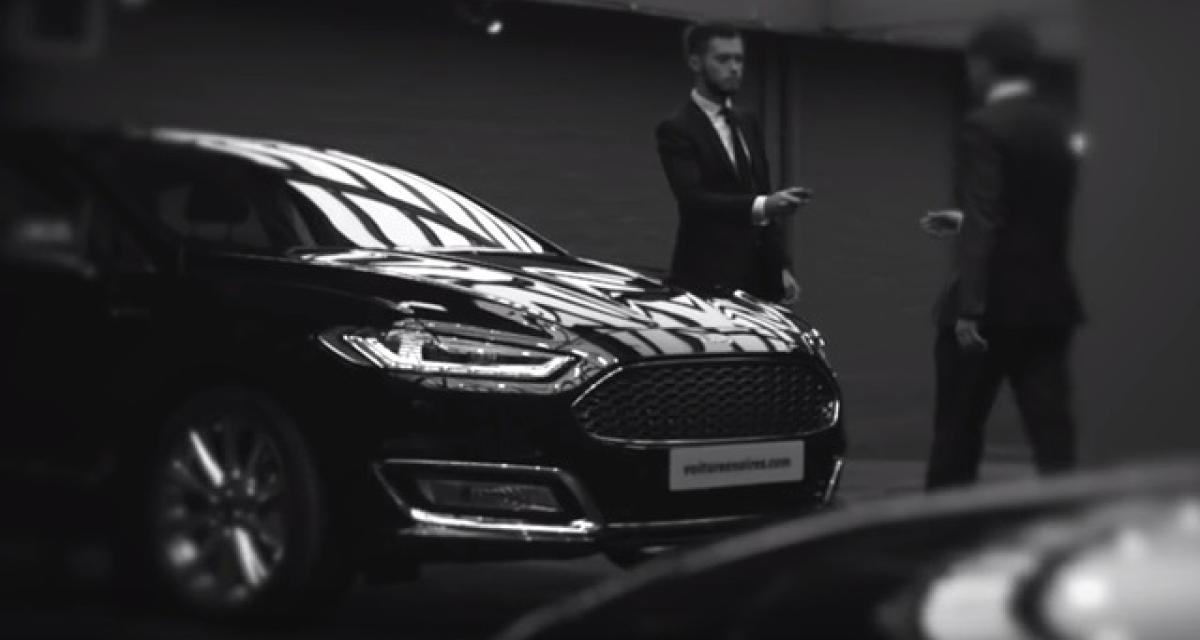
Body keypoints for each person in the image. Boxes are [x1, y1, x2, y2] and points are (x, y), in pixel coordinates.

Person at [923, 18, 1084, 489]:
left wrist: (970, 308)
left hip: (989, 309)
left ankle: (946, 526)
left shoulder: (984, 126)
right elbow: (1037, 213)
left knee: (957, 433)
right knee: (1053, 437)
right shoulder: (1058, 127)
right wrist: (964, 220)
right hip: (1047, 305)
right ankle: (1070, 518)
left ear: (982, 65)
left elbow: (987, 214)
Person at [656, 22, 811, 304]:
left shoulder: (747, 121)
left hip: (757, 280)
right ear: (696, 62)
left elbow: (761, 190)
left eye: (739, 59)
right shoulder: (677, 128)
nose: (734, 68)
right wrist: (764, 205)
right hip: (706, 280)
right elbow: (693, 200)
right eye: (723, 59)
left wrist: (780, 266)